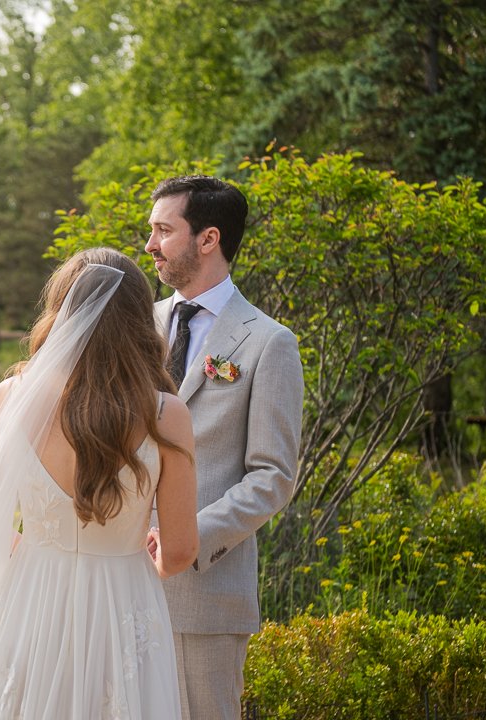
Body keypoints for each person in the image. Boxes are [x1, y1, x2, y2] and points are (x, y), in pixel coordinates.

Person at [0, 247, 199, 719]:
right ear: (139, 319)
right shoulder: (166, 413)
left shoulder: (13, 396)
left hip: (32, 601)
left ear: (60, 313)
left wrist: (36, 551)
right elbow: (182, 550)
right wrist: (137, 558)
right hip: (124, 606)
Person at [144, 175, 304, 720]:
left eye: (164, 231)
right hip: (116, 583)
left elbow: (273, 477)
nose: (150, 246)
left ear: (208, 239)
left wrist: (184, 540)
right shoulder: (137, 328)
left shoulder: (268, 342)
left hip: (204, 596)